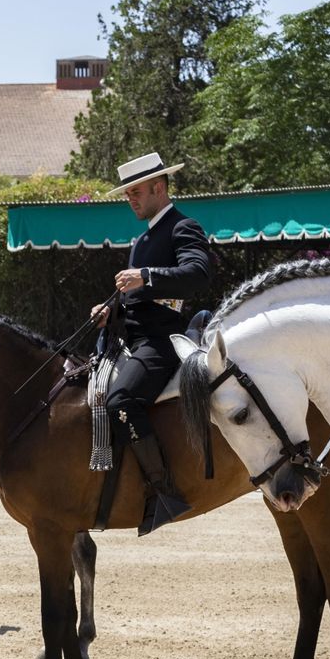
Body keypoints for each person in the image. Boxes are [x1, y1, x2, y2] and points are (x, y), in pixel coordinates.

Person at [89, 152, 212, 534]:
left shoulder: (182, 227)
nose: (131, 199)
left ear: (159, 187)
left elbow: (198, 273)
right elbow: (139, 297)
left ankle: (163, 493)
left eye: (136, 192)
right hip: (129, 340)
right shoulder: (143, 238)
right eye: (128, 194)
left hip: (161, 343)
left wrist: (145, 275)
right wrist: (111, 310)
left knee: (121, 400)